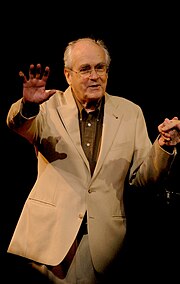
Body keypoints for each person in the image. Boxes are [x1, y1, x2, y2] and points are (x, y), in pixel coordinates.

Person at [6, 37, 180, 284]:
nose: (94, 76)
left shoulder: (130, 112)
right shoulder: (47, 105)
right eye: (85, 69)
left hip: (102, 243)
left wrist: (163, 147)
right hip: (51, 241)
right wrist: (27, 105)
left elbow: (144, 177)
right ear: (68, 75)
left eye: (100, 68)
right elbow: (19, 125)